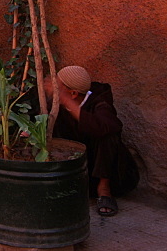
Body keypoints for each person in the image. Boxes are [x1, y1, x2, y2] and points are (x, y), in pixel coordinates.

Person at [46, 65, 140, 217]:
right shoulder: (55, 101)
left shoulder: (99, 99)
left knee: (108, 135)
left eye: (58, 85)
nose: (53, 87)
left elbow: (105, 126)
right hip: (75, 169)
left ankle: (104, 190)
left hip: (105, 168)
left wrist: (68, 102)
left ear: (74, 93)